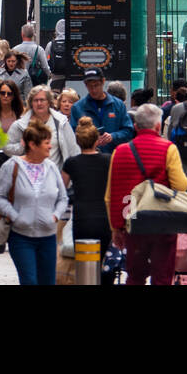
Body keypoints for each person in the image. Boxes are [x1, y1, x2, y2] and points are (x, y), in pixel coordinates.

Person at [105, 103, 187, 285]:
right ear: (158, 126)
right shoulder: (169, 149)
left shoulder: (120, 151)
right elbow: (181, 186)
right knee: (162, 277)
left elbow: (111, 195)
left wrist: (116, 228)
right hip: (163, 222)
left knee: (135, 276)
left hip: (134, 221)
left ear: (135, 127)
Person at [0, 119, 70, 285]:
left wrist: (55, 216)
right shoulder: (11, 166)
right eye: (47, 143)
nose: (50, 146)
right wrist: (14, 215)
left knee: (48, 282)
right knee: (29, 281)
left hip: (48, 237)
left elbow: (63, 198)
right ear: (33, 145)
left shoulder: (51, 167)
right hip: (21, 237)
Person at [63, 118, 117, 284]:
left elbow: (62, 189)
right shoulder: (109, 160)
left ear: (77, 141)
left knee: (84, 264)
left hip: (82, 220)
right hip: (105, 220)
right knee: (106, 263)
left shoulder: (71, 163)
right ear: (97, 140)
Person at [6, 85, 81, 171]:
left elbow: (74, 151)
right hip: (27, 178)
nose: (39, 103)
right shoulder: (20, 125)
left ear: (49, 102)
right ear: (31, 103)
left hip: (54, 178)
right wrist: (22, 146)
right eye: (35, 100)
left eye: (42, 100)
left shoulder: (61, 122)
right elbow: (7, 148)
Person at [71, 68, 136, 153]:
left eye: (96, 85)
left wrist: (113, 136)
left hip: (113, 158)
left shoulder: (118, 105)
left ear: (103, 81)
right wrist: (89, 139)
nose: (93, 90)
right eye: (90, 86)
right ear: (85, 85)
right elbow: (72, 135)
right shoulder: (77, 108)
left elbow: (128, 131)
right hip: (88, 159)